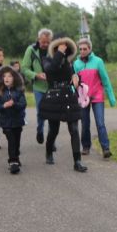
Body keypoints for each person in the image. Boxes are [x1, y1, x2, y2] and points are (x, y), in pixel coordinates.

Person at [40, 37, 86, 172]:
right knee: (54, 130)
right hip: (54, 98)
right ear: (55, 48)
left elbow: (72, 75)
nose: (64, 49)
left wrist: (76, 77)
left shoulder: (68, 61)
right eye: (61, 47)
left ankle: (77, 161)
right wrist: (59, 53)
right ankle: (49, 152)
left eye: (65, 47)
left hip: (68, 97)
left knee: (74, 130)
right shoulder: (47, 59)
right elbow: (50, 70)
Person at [73, 37, 116, 158]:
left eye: (84, 49)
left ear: (90, 49)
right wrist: (73, 94)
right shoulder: (76, 64)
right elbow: (73, 83)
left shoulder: (98, 61)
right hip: (83, 97)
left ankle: (106, 148)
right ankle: (86, 147)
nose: (82, 51)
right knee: (85, 123)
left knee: (100, 123)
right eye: (80, 49)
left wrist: (111, 97)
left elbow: (105, 80)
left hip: (97, 96)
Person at [0, 65, 27, 174]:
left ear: (15, 78)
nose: (6, 78)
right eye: (4, 76)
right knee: (11, 141)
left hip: (18, 121)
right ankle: (13, 162)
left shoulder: (19, 91)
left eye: (9, 76)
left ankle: (16, 156)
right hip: (5, 122)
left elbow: (23, 104)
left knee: (16, 141)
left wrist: (14, 104)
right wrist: (3, 106)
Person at [21, 28, 52, 144]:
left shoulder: (53, 49)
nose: (46, 44)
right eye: (43, 42)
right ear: (38, 39)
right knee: (41, 111)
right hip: (38, 86)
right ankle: (40, 130)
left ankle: (51, 139)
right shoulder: (31, 50)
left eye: (48, 42)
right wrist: (36, 75)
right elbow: (24, 68)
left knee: (52, 113)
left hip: (52, 87)